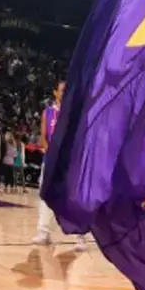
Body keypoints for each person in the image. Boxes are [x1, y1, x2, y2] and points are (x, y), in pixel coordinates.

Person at [33, 81, 89, 248]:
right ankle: (43, 232)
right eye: (62, 90)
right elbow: (43, 136)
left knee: (74, 197)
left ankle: (80, 236)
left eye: (68, 90)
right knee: (45, 195)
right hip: (51, 161)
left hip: (70, 162)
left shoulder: (74, 114)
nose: (65, 93)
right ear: (55, 93)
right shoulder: (48, 113)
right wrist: (48, 150)